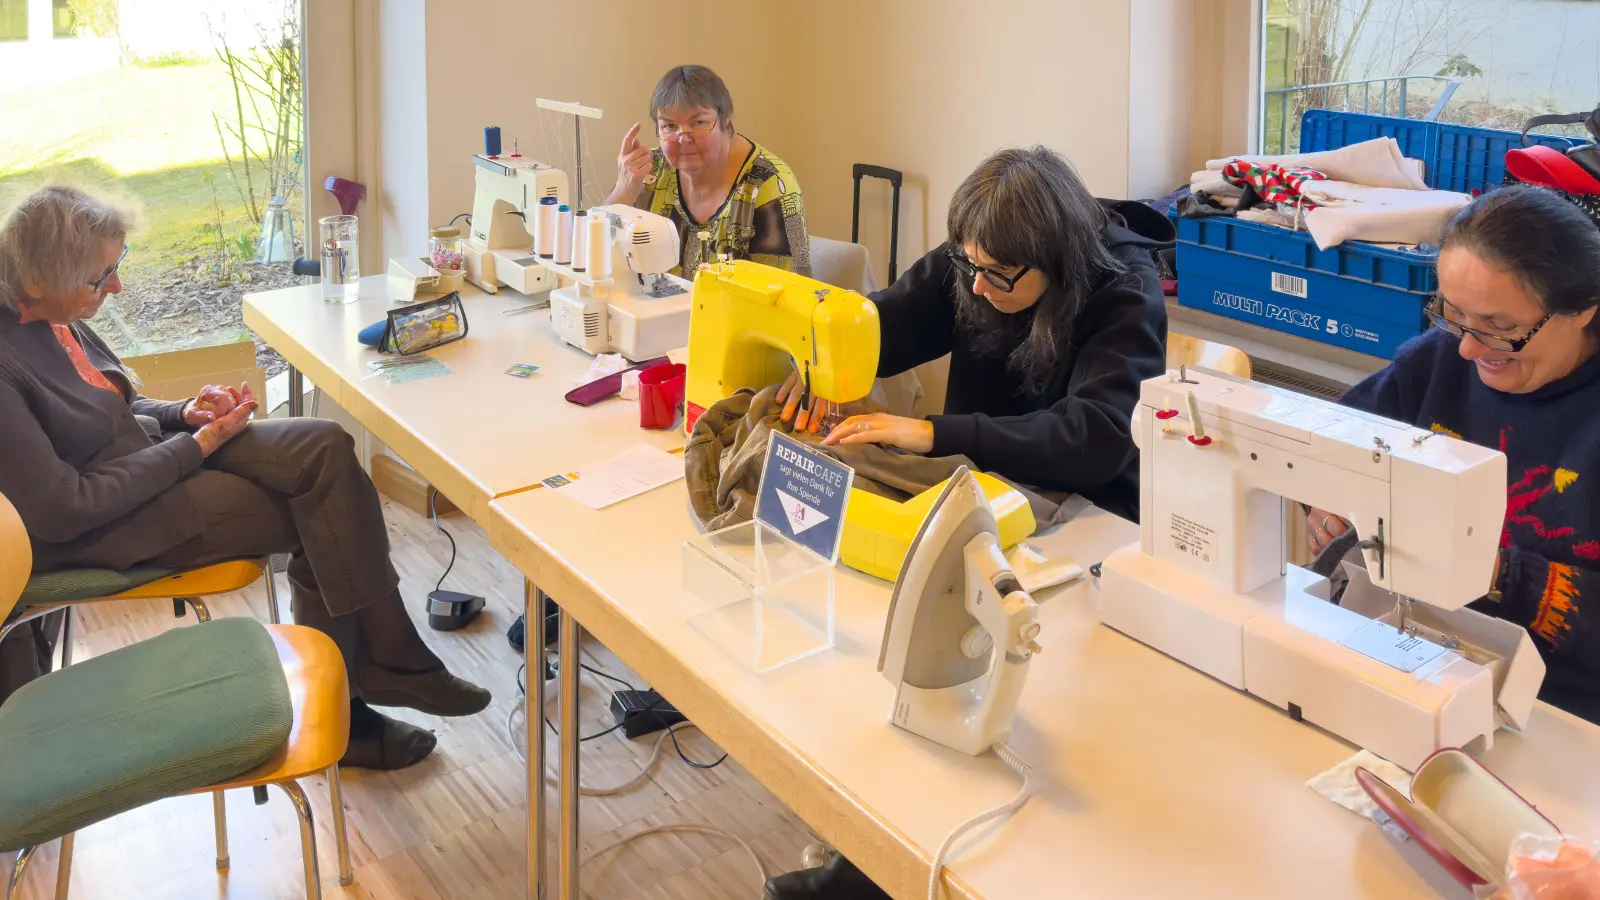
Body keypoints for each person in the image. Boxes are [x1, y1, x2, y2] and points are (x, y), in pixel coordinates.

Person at [0, 185, 491, 769]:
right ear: (36, 277)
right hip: (109, 522)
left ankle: (383, 668)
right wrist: (193, 447)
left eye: (116, 267)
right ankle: (365, 696)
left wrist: (185, 414)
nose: (115, 287)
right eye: (99, 277)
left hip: (150, 462)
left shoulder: (52, 310)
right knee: (328, 515)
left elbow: (108, 407)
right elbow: (66, 506)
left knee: (325, 446)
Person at [1308, 186, 1600, 724]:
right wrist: (1330, 498)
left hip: (1566, 718)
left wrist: (1497, 573)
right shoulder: (1438, 364)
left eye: (1501, 327)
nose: (1468, 347)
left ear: (1583, 308)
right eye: (1452, 313)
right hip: (1427, 668)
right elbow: (1333, 439)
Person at [777, 146, 1169, 520]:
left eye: (996, 272)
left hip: (1086, 509)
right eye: (971, 265)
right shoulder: (981, 257)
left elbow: (1094, 437)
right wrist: (829, 357)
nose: (978, 287)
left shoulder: (1125, 290)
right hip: (977, 483)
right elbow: (897, 316)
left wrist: (934, 434)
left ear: (1057, 260)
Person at [605, 64, 809, 280]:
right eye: (669, 126)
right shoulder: (650, 172)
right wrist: (622, 192)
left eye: (699, 122)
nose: (683, 138)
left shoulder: (768, 184)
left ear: (725, 121)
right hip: (656, 312)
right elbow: (598, 262)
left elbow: (782, 296)